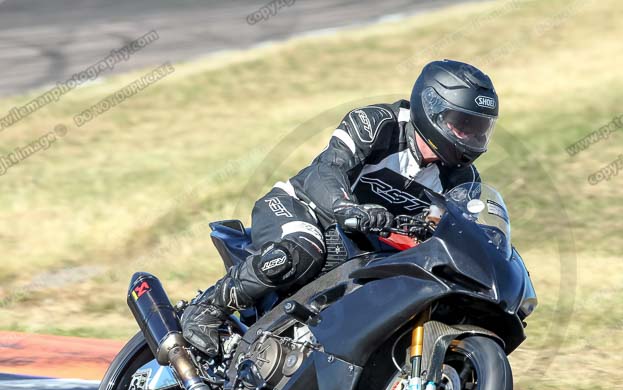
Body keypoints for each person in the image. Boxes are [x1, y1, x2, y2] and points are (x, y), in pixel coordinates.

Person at [180, 59, 499, 356]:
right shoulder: (377, 124)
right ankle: (207, 310)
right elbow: (328, 169)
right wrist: (346, 207)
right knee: (304, 249)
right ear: (433, 110)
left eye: (479, 128)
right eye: (464, 124)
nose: (471, 136)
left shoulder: (461, 178)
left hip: (364, 246)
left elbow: (454, 226)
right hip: (301, 208)